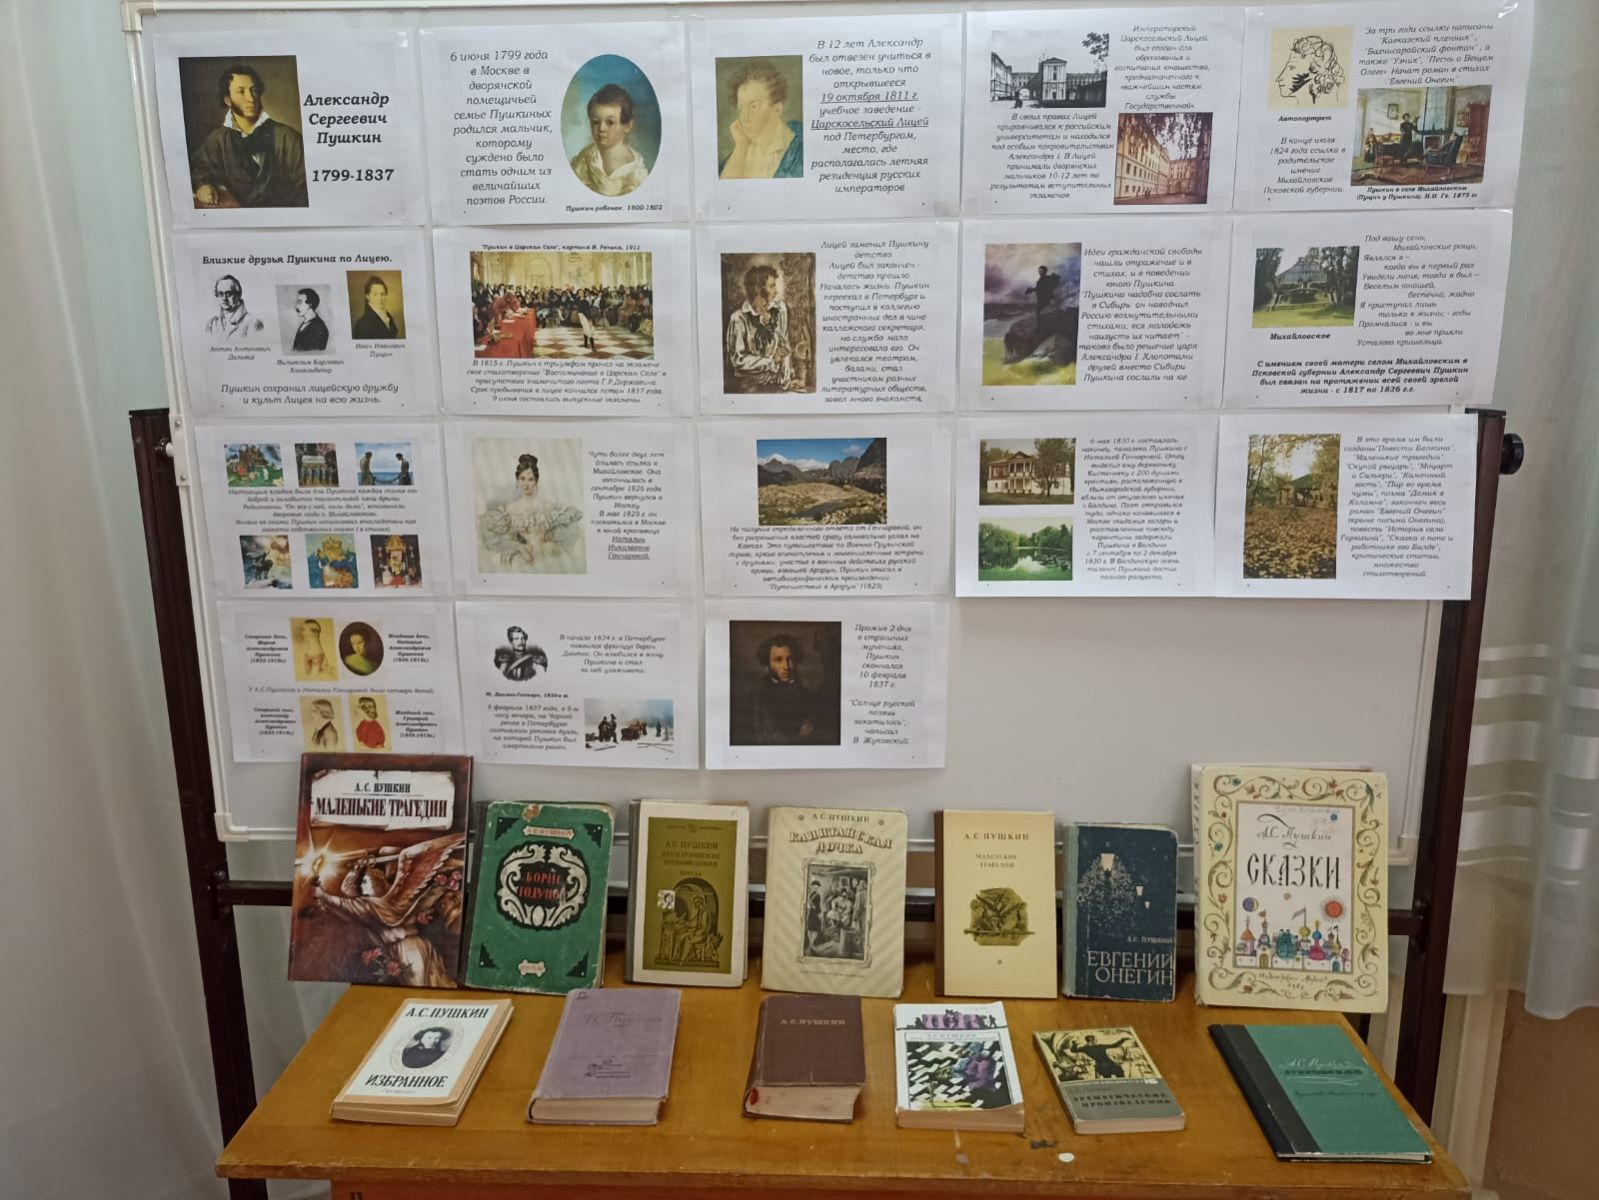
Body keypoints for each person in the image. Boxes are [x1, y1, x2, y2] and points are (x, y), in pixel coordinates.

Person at [188, 63, 308, 208]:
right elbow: (196, 170)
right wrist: (202, 186)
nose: (251, 98)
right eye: (241, 91)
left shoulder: (289, 138)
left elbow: (306, 189)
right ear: (228, 100)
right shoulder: (217, 140)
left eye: (254, 90)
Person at [477, 453, 584, 572]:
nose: (526, 484)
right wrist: (520, 548)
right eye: (522, 478)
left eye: (531, 479)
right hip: (522, 560)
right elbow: (507, 539)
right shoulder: (510, 509)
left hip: (546, 558)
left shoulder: (547, 506)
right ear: (517, 480)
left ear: (536, 481)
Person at [719, 60, 803, 179]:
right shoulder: (740, 152)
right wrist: (741, 147)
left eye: (754, 106)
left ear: (777, 109)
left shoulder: (800, 147)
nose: (745, 118)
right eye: (741, 109)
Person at [725, 265, 797, 393]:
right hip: (748, 387)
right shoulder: (738, 319)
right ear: (758, 289)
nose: (776, 292)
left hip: (779, 385)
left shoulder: (780, 309)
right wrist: (770, 361)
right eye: (771, 286)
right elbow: (738, 360)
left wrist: (786, 382)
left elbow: (784, 347)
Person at [569, 82, 649, 197]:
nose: (601, 128)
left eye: (610, 122)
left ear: (627, 126)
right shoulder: (584, 159)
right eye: (595, 122)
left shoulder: (635, 171)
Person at [749, 633, 824, 744]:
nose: (786, 666)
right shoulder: (759, 696)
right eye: (778, 660)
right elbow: (767, 737)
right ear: (767, 664)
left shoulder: (803, 691)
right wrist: (799, 736)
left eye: (790, 659)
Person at [205, 274, 265, 342]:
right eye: (220, 294)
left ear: (238, 295)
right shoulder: (212, 324)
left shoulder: (253, 323)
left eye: (229, 294)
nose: (224, 298)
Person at [290, 287, 328, 351]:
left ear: (310, 305)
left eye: (300, 302)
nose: (296, 307)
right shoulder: (305, 324)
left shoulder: (319, 328)